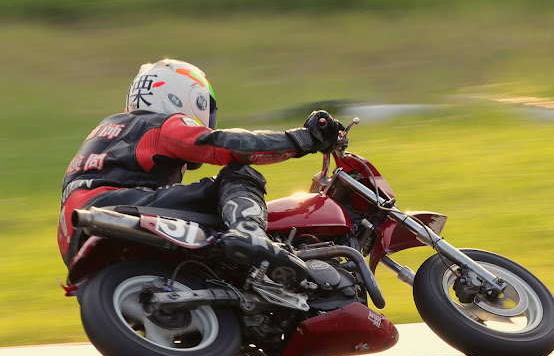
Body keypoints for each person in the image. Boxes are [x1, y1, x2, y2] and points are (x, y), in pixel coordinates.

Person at [57, 59, 344, 283]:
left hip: (76, 239)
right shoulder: (156, 123)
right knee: (238, 173)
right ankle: (249, 233)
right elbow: (226, 145)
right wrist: (303, 139)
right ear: (186, 96)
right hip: (117, 205)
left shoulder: (109, 130)